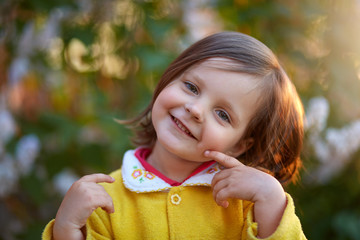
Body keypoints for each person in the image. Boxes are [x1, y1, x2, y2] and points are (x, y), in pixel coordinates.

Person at [42, 31, 306, 239]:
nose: (195, 109)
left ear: (238, 146)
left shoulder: (247, 204)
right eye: (191, 87)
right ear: (169, 77)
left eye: (223, 114)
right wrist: (65, 229)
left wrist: (272, 201)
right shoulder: (106, 200)